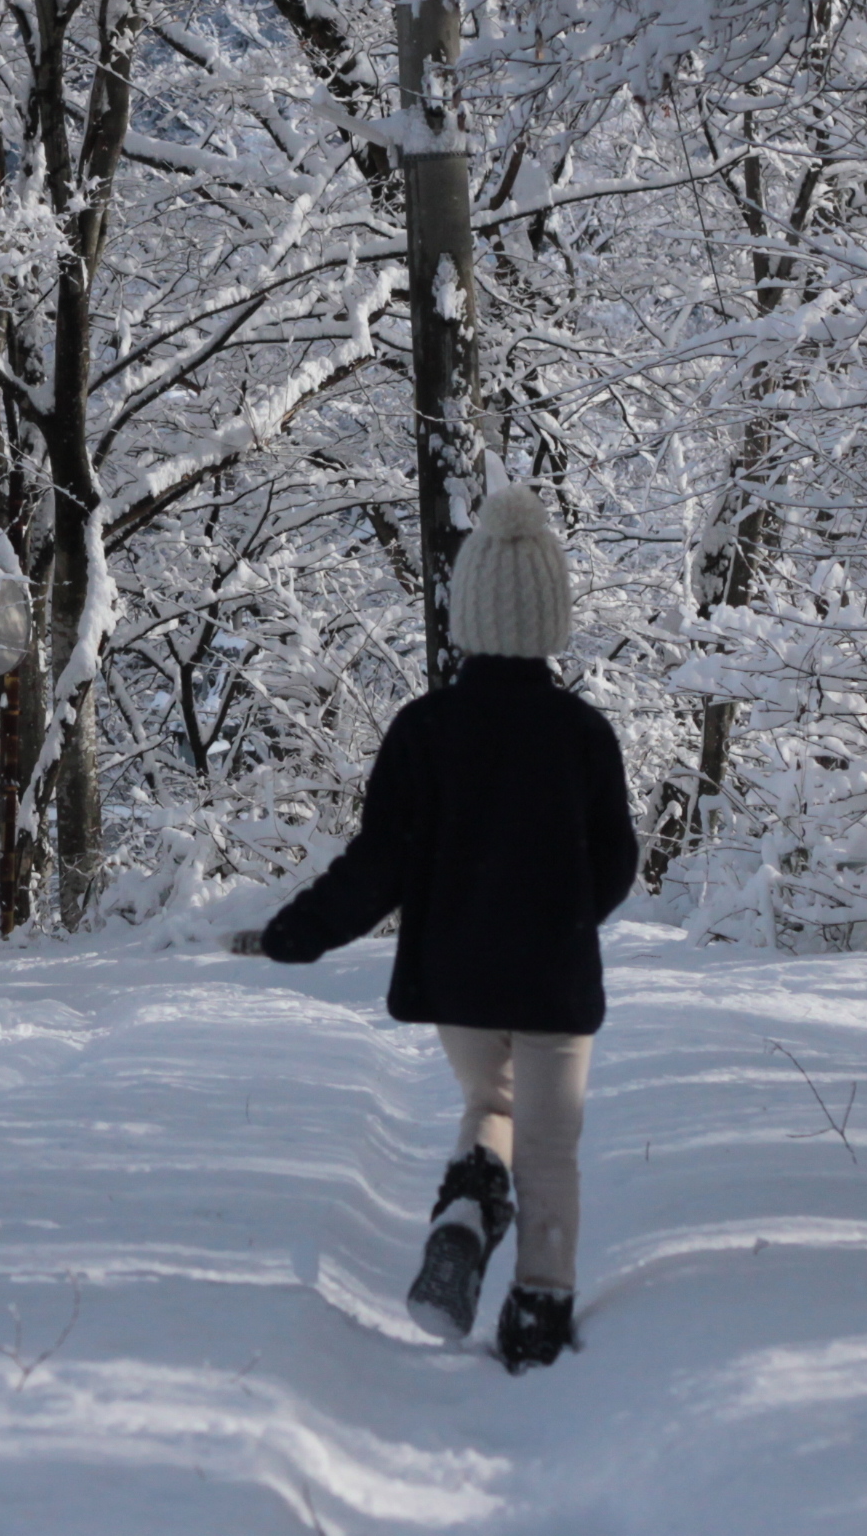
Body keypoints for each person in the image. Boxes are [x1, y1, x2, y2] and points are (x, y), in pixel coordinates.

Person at [228, 486, 638, 1372]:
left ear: (470, 611)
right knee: (553, 1147)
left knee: (490, 1105)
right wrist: (569, 918)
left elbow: (380, 863)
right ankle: (537, 1314)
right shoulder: (583, 737)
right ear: (551, 614)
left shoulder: (424, 732)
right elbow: (617, 862)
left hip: (459, 980)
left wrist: (299, 931)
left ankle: (469, 1199)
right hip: (556, 981)